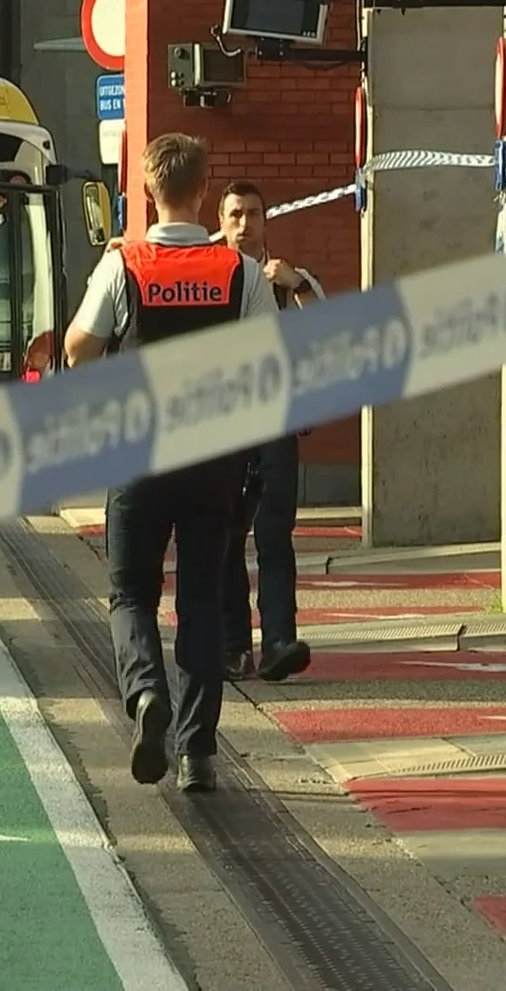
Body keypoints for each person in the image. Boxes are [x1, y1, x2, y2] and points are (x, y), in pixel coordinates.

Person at [63, 134, 281, 794]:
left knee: (131, 592)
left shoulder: (122, 265)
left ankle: (145, 693)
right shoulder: (238, 272)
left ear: (150, 192)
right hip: (214, 459)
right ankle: (198, 754)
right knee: (202, 603)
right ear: (205, 191)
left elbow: (77, 349)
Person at [214, 180, 321, 682]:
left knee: (274, 533)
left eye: (253, 213)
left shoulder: (286, 280)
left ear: (265, 220)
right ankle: (235, 645)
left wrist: (298, 285)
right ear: (221, 221)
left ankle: (279, 639)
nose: (244, 224)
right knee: (228, 535)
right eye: (235, 214)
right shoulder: (209, 272)